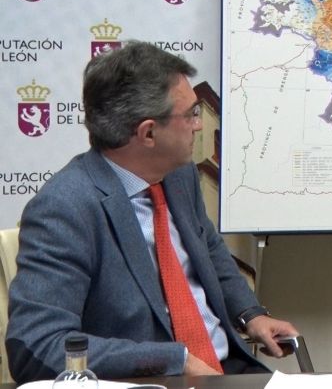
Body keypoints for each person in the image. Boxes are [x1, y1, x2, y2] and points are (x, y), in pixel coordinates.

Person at [6, 41, 299, 382]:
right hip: (152, 380)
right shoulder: (65, 208)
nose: (199, 125)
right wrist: (173, 361)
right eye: (191, 114)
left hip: (226, 370)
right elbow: (38, 346)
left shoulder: (179, 174)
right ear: (148, 133)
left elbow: (208, 249)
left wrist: (250, 314)